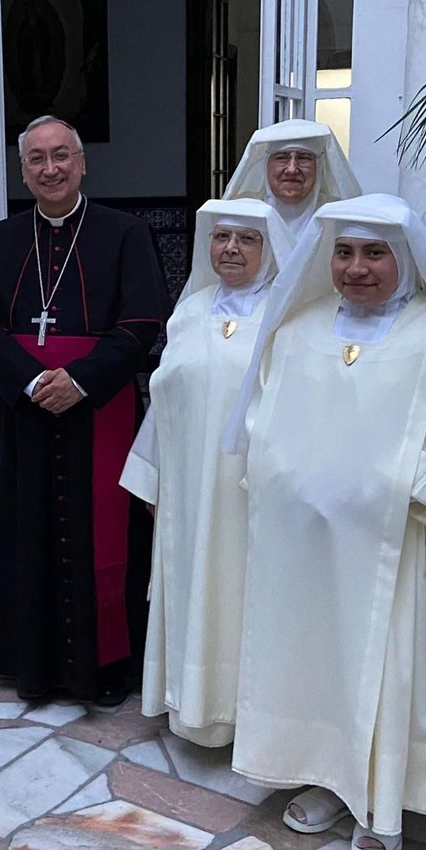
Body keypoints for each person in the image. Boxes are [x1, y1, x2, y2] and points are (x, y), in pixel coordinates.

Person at [224, 195, 426, 850]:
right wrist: (293, 484)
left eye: (375, 254)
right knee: (313, 658)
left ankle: (383, 799)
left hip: (393, 540)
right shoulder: (297, 328)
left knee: (388, 671)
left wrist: (379, 492)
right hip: (306, 539)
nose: (356, 268)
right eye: (343, 252)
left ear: (407, 259)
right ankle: (323, 777)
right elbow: (261, 423)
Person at [0, 115, 171, 707]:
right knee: (29, 532)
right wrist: (32, 382)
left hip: (100, 408)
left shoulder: (126, 234)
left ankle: (107, 666)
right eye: (37, 159)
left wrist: (80, 380)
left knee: (106, 535)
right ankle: (33, 664)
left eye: (61, 156)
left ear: (82, 163)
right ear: (23, 171)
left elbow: (142, 323)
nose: (50, 169)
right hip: (27, 412)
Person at [121, 199, 295, 746]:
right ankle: (189, 706)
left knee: (244, 596)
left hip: (250, 489)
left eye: (247, 239)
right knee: (191, 588)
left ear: (271, 249)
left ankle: (246, 720)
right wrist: (151, 477)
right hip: (189, 489)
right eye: (221, 238)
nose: (231, 249)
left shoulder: (288, 317)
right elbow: (164, 395)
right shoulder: (190, 311)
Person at [222, 118, 361, 240]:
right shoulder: (244, 212)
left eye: (304, 158)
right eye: (282, 158)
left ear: (318, 167)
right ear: (267, 165)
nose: (292, 169)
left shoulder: (336, 217)